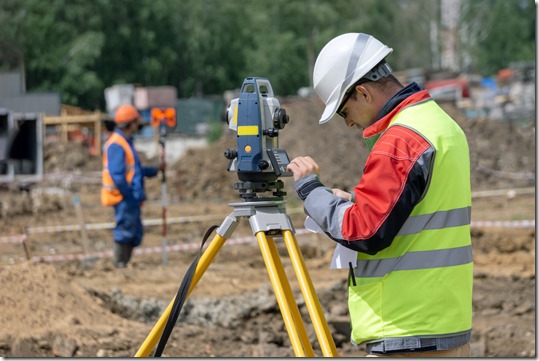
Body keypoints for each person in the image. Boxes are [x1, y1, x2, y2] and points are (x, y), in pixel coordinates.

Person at [286, 33, 473, 357]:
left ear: (362, 92)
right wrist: (352, 205)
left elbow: (365, 231)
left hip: (405, 327)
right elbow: (414, 214)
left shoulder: (400, 140)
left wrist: (311, 190)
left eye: (344, 112)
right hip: (443, 321)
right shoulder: (441, 125)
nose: (348, 124)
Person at [101, 104, 164, 268]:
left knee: (135, 233)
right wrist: (129, 194)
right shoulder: (116, 143)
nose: (138, 125)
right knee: (125, 231)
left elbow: (135, 170)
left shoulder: (125, 142)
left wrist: (154, 170)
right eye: (136, 121)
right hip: (123, 196)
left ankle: (124, 263)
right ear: (130, 123)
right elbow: (117, 175)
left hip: (130, 196)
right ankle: (120, 264)